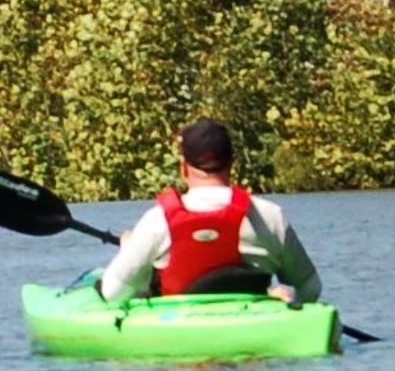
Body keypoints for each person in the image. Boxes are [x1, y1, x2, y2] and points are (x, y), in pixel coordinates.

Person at [95, 119, 321, 306]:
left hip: (180, 332)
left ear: (183, 167)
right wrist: (287, 305)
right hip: (252, 334)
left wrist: (128, 251)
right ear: (231, 164)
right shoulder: (270, 215)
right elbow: (311, 287)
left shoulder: (157, 221)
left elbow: (113, 293)